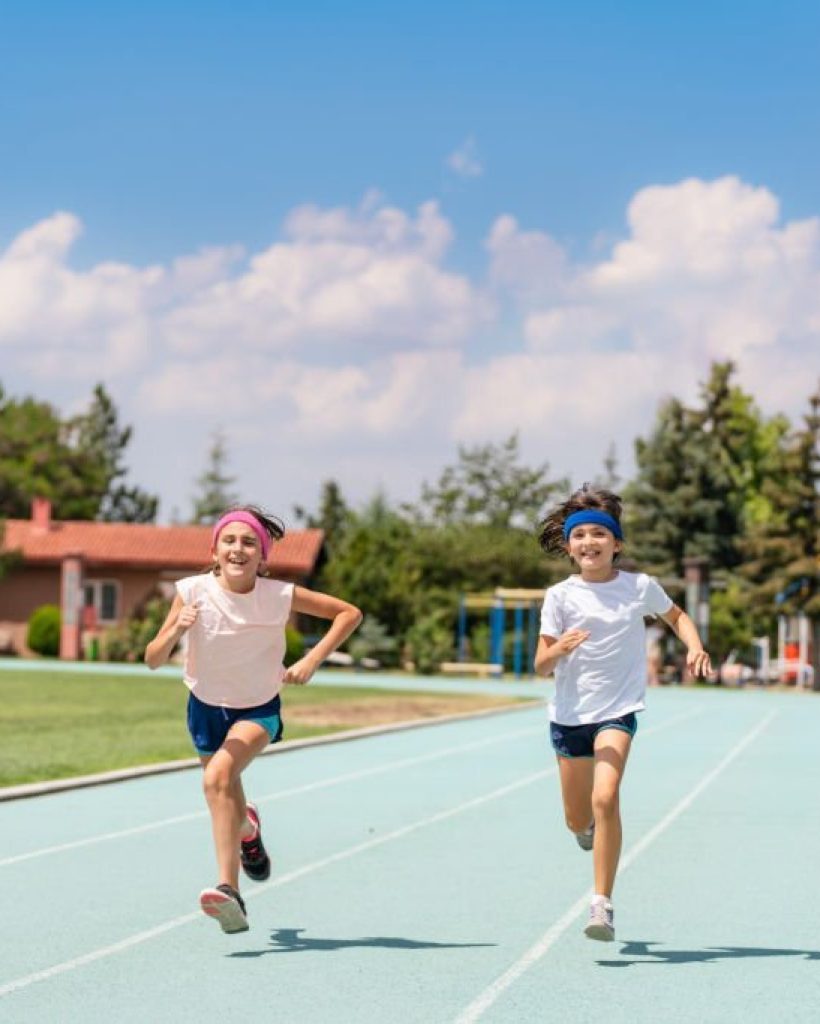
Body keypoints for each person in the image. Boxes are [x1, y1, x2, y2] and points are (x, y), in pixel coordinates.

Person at [145, 505, 362, 934]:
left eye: (249, 543)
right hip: (206, 706)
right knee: (224, 797)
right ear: (214, 549)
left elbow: (348, 613)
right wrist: (174, 631)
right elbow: (152, 659)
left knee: (217, 777)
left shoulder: (279, 594)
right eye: (229, 540)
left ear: (262, 558)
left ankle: (228, 889)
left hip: (258, 707)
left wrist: (313, 659)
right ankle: (248, 830)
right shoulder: (191, 592)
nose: (238, 549)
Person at [533, 485, 711, 942]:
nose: (588, 542)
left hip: (618, 709)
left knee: (606, 796)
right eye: (579, 536)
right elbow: (540, 666)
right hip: (570, 715)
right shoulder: (559, 597)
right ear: (569, 546)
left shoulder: (639, 587)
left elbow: (678, 617)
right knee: (578, 818)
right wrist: (561, 649)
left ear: (617, 544)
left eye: (598, 534)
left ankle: (601, 904)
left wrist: (694, 646)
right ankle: (585, 829)